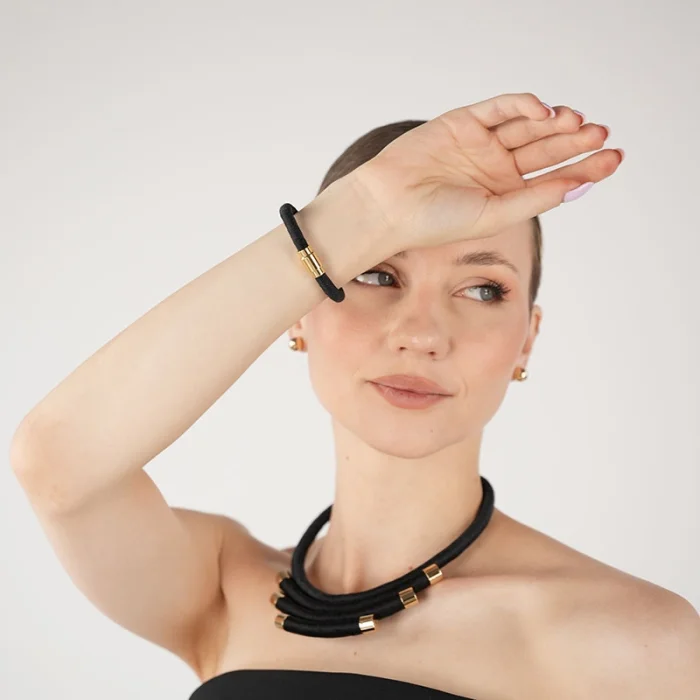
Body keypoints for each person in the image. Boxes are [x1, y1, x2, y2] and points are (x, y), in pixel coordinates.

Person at [9, 93, 699, 700]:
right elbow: (58, 463)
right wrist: (360, 215)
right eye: (374, 275)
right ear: (297, 314)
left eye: (482, 289)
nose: (422, 334)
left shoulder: (635, 642)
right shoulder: (220, 589)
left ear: (527, 340)